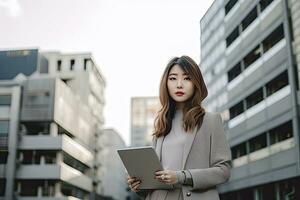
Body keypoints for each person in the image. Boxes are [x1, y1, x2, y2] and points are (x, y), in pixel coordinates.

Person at [127, 55, 231, 200]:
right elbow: (154, 182)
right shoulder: (161, 125)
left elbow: (223, 171)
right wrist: (139, 186)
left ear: (196, 83)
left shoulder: (210, 121)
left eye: (187, 78)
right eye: (173, 78)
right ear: (166, 83)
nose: (179, 84)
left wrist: (181, 177)